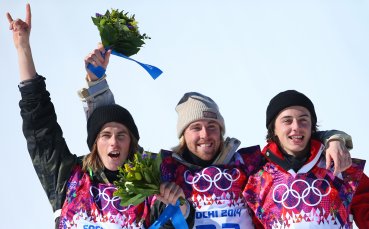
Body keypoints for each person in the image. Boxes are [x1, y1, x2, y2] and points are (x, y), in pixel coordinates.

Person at [80, 48, 354, 228]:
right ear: (183, 134)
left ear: (221, 130)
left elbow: (292, 141)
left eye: (212, 126)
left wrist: (333, 138)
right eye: (195, 127)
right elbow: (113, 142)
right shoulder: (163, 168)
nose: (205, 135)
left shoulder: (248, 162)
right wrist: (98, 84)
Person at [8, 4, 188, 228]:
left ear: (132, 142)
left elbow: (176, 221)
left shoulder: (149, 190)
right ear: (95, 142)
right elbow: (39, 127)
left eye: (122, 135)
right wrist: (23, 47)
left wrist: (181, 207)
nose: (114, 141)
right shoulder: (67, 179)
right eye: (105, 135)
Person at [243, 90, 369, 228]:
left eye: (303, 120)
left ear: (312, 126)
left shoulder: (341, 167)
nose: (296, 127)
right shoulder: (257, 177)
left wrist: (334, 138)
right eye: (287, 121)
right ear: (274, 129)